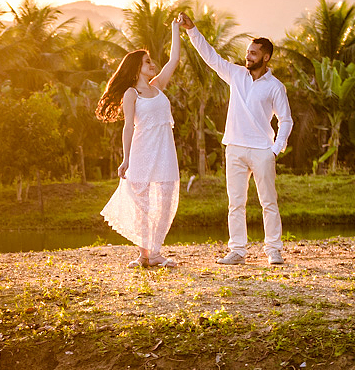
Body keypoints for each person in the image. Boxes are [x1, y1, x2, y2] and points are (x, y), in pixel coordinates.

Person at [178, 14, 293, 266]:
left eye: (253, 53)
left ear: (266, 57)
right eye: (248, 52)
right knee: (235, 203)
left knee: (268, 202)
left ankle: (273, 250)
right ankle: (237, 251)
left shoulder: (275, 86)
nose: (248, 56)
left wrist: (275, 149)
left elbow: (286, 120)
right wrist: (192, 30)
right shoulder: (236, 74)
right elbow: (211, 57)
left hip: (263, 150)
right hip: (234, 147)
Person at [95, 19, 184, 268]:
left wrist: (176, 29)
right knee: (142, 204)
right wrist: (126, 158)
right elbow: (128, 127)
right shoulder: (131, 94)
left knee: (165, 201)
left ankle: (153, 252)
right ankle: (146, 255)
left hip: (165, 152)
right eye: (147, 62)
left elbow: (174, 60)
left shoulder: (158, 86)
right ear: (137, 67)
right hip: (142, 152)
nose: (152, 64)